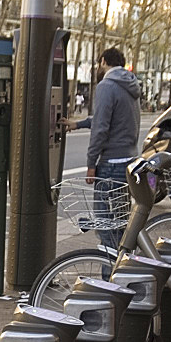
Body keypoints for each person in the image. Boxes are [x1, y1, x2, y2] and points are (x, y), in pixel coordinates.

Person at [60, 47, 141, 248]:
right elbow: (109, 119)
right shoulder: (131, 84)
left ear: (103, 61)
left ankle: (109, 275)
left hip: (111, 167)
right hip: (129, 162)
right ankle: (122, 271)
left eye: (98, 64)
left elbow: (101, 129)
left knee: (106, 228)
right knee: (121, 227)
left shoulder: (107, 85)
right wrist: (78, 124)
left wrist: (91, 163)